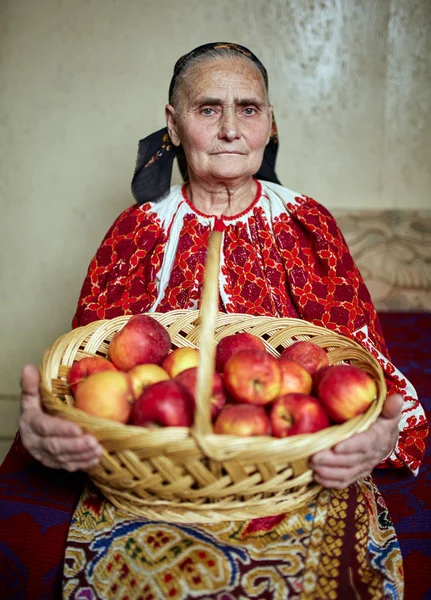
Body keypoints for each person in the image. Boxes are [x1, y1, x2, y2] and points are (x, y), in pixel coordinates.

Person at [1, 42, 428, 599]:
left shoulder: (308, 225)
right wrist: (47, 430)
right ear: (173, 126)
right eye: (208, 109)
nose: (231, 129)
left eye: (248, 108)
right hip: (162, 468)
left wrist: (379, 431)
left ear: (270, 124)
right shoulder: (137, 233)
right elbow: (89, 372)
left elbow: (364, 363)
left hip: (288, 458)